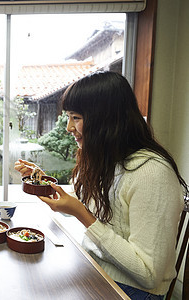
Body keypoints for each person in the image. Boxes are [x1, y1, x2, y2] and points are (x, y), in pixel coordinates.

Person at [15, 71, 187, 300]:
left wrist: (82, 214)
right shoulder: (109, 159)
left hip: (132, 291)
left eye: (76, 118)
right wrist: (42, 182)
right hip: (95, 270)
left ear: (106, 119)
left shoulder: (151, 173)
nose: (68, 127)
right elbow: (80, 205)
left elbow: (149, 275)